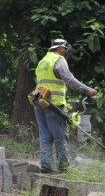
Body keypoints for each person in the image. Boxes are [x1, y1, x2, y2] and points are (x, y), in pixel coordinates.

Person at [34, 39, 98, 173]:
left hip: (39, 102)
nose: (67, 52)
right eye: (66, 49)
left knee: (45, 136)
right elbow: (69, 79)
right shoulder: (58, 59)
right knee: (60, 136)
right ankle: (64, 167)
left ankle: (45, 164)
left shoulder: (42, 61)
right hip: (54, 104)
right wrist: (87, 90)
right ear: (61, 48)